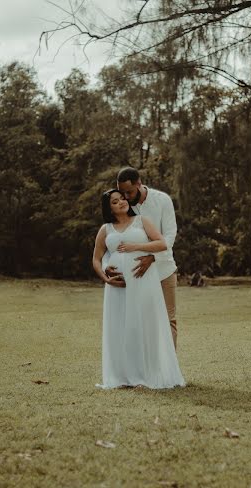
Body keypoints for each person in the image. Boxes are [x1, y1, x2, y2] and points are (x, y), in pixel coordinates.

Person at [93, 189, 185, 389]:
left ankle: (146, 374)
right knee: (120, 327)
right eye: (115, 202)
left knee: (143, 325)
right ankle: (122, 376)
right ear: (109, 208)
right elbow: (96, 259)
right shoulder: (105, 229)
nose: (121, 202)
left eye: (122, 199)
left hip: (143, 281)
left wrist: (135, 247)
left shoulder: (142, 221)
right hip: (117, 286)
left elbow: (162, 243)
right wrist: (105, 279)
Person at [111, 167, 179, 348]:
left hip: (164, 269)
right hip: (138, 273)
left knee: (168, 320)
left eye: (129, 191)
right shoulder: (124, 207)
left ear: (139, 184)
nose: (125, 197)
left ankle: (169, 373)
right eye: (122, 192)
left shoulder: (162, 200)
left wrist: (152, 257)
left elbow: (170, 235)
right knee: (143, 323)